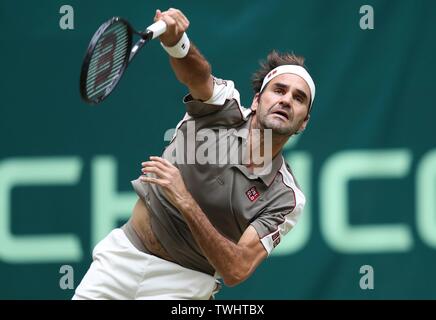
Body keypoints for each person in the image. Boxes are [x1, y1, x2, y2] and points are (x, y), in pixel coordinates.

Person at [73, 7, 315, 300]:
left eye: (298, 98)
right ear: (257, 99)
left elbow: (237, 270)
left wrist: (185, 202)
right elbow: (198, 74)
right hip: (121, 258)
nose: (286, 100)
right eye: (279, 90)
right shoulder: (223, 107)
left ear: (303, 122)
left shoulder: (286, 197)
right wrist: (176, 42)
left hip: (184, 287)